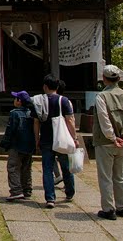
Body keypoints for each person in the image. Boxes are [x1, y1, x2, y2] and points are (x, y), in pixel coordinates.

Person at [93, 65, 123, 221]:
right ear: (119, 79)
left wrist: (112, 137)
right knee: (121, 176)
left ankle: (108, 208)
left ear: (104, 79)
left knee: (105, 176)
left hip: (106, 141)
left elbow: (103, 119)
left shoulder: (102, 97)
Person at [33, 75, 78, 208]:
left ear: (45, 86)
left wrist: (37, 139)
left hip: (46, 138)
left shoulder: (39, 101)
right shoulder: (63, 101)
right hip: (62, 139)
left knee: (47, 169)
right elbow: (70, 120)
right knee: (66, 167)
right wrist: (74, 138)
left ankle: (50, 198)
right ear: (57, 87)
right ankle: (69, 192)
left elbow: (36, 122)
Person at [0, 90, 35, 201]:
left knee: (13, 167)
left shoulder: (14, 113)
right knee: (26, 168)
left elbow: (10, 130)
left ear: (19, 101)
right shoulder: (32, 113)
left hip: (16, 144)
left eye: (16, 98)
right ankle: (27, 189)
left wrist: (5, 143)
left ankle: (16, 190)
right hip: (29, 144)